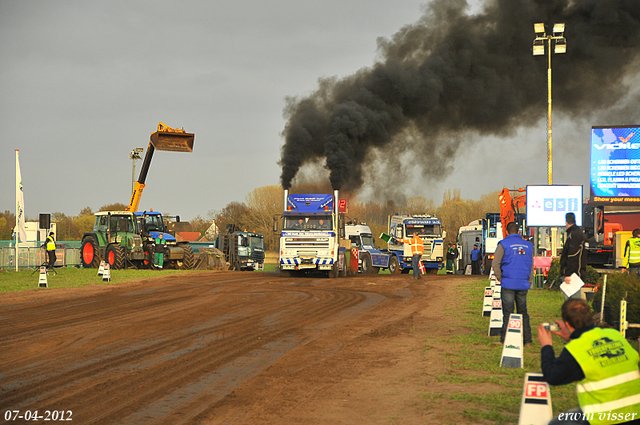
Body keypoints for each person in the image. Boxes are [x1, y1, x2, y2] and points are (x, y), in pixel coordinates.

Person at [538, 299, 640, 425]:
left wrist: (546, 346)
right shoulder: (615, 335)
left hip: (604, 418)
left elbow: (552, 376)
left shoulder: (576, 349)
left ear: (567, 324)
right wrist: (572, 337)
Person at [493, 222, 533, 345]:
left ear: (507, 231)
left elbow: (496, 264)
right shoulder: (529, 245)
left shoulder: (503, 244)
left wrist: (500, 278)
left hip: (508, 283)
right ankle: (527, 340)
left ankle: (505, 339)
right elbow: (531, 265)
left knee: (507, 313)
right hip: (522, 283)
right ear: (519, 231)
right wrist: (529, 280)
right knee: (523, 312)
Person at [560, 212, 588, 292]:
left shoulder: (574, 235)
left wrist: (568, 273)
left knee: (572, 301)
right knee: (575, 301)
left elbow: (572, 256)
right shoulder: (582, 235)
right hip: (579, 272)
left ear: (566, 223)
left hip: (573, 276)